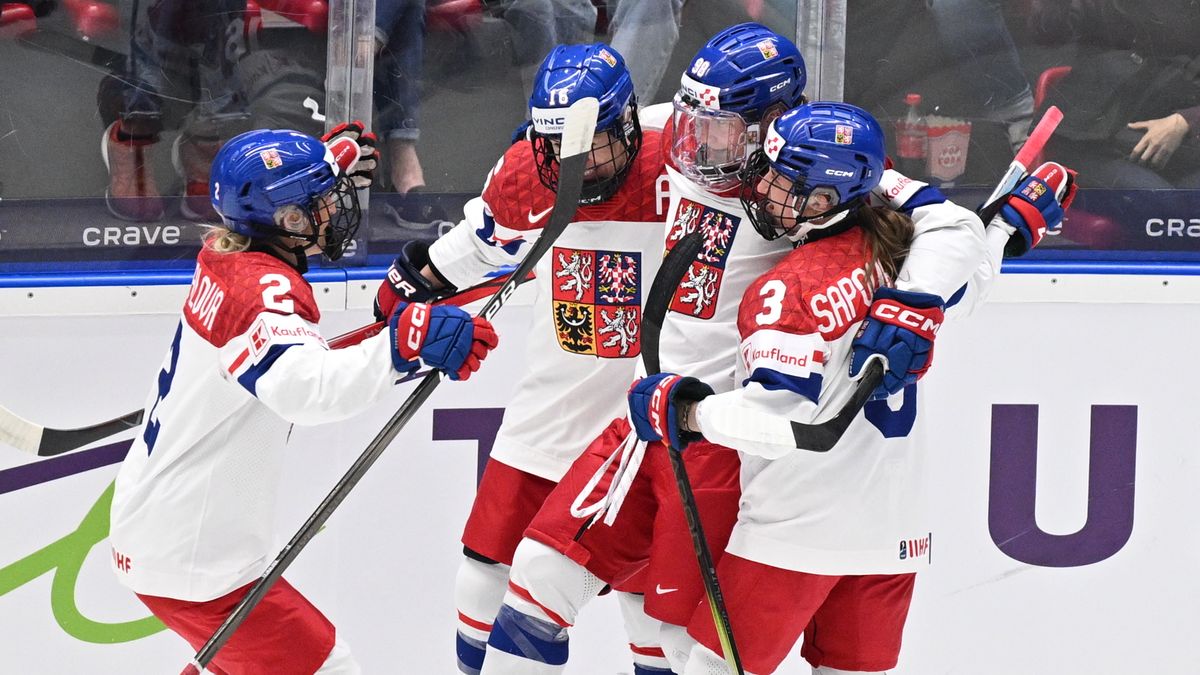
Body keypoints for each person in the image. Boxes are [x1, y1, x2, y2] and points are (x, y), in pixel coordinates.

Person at [485, 21, 1000, 675]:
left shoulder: (809, 167)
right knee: (538, 577)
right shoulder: (689, 130)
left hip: (719, 436)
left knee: (673, 640)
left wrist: (917, 299)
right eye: (692, 121)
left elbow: (949, 225)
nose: (697, 146)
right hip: (648, 416)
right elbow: (608, 134)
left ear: (772, 123)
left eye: (720, 130)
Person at [625, 102, 1075, 674]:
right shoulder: (909, 262)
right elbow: (971, 276)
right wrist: (1006, 228)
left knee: (704, 666)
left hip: (794, 530)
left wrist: (685, 413)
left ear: (822, 199)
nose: (760, 188)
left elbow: (780, 426)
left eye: (780, 180)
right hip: (892, 538)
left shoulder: (786, 289)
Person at [107, 125, 498, 674]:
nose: (335, 210)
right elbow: (308, 391)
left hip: (164, 535)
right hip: (195, 559)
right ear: (286, 221)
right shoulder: (262, 295)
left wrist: (325, 163)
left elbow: (300, 362)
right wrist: (401, 346)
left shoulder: (231, 260)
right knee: (328, 668)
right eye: (318, 203)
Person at [371, 43, 676, 675]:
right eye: (558, 145)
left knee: (649, 592)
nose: (578, 166)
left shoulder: (684, 153)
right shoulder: (525, 171)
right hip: (555, 408)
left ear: (626, 122)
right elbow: (483, 242)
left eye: (593, 145)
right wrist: (414, 280)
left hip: (648, 419)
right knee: (484, 570)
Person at [1030, 0, 1200, 188]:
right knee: (1165, 201)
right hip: (1094, 140)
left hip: (1181, 144)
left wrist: (1185, 120)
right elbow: (1049, 32)